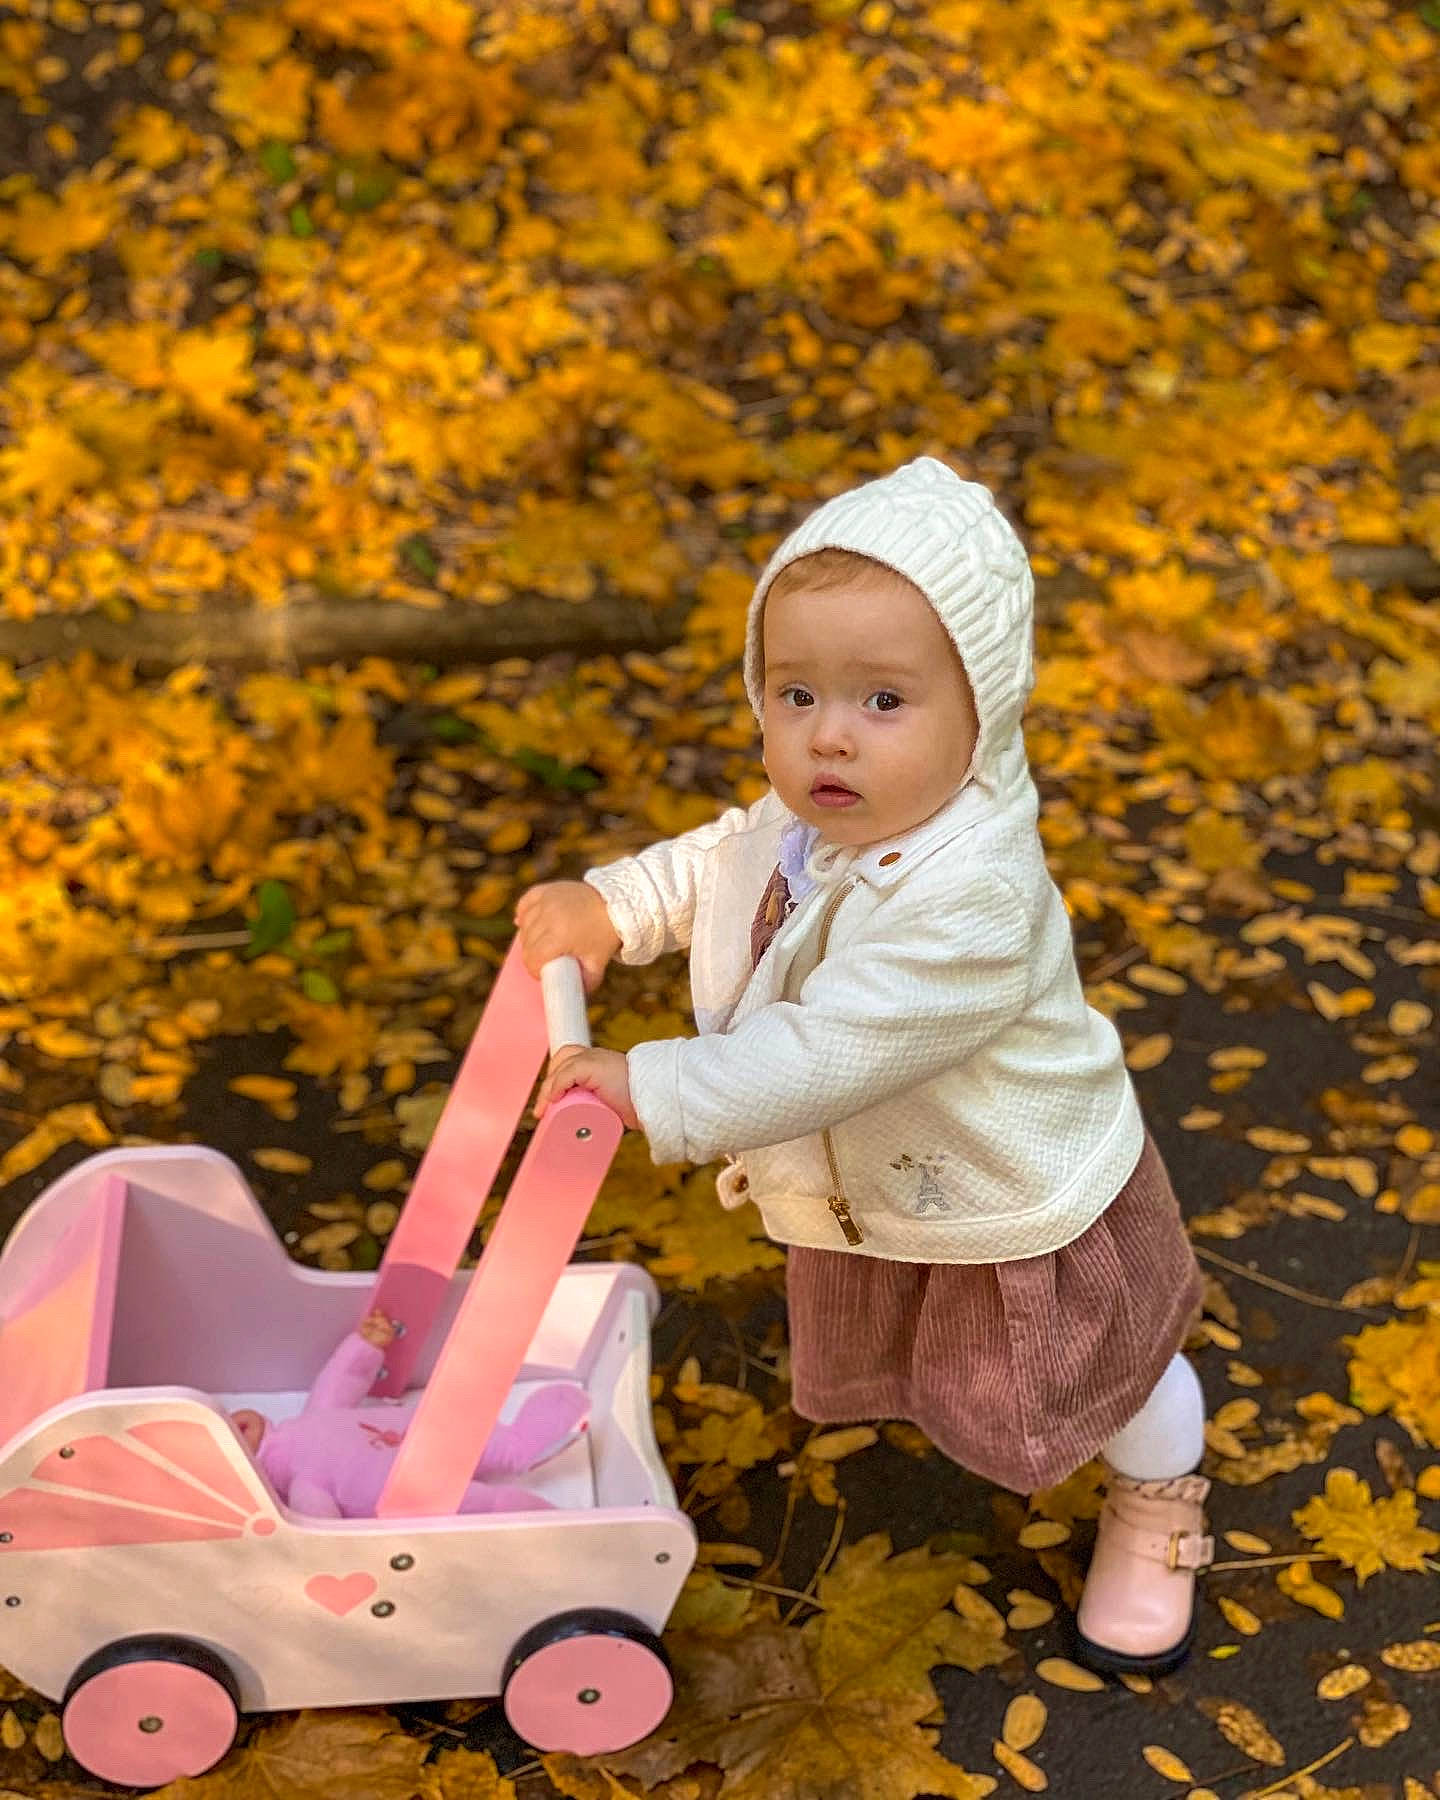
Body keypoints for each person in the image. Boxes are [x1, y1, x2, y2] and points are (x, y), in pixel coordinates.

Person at [515, 456, 1211, 1676]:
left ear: (979, 711)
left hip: (1015, 1189)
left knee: (1104, 1371)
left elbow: (830, 1050)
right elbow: (729, 859)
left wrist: (655, 1085)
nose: (828, 734)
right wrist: (616, 909)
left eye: (883, 701)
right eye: (795, 693)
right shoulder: (827, 814)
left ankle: (1162, 1500)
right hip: (906, 1181)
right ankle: (1036, 1418)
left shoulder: (974, 900)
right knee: (942, 1336)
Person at [230, 1309, 589, 1519]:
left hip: (422, 1433)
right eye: (229, 1438)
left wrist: (366, 1345)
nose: (233, 1424)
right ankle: (546, 1523)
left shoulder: (312, 1418)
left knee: (470, 1435)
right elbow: (325, 1533)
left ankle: (518, 1447)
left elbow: (341, 1380)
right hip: (412, 1487)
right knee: (483, 1503)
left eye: (226, 1418)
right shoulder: (302, 1486)